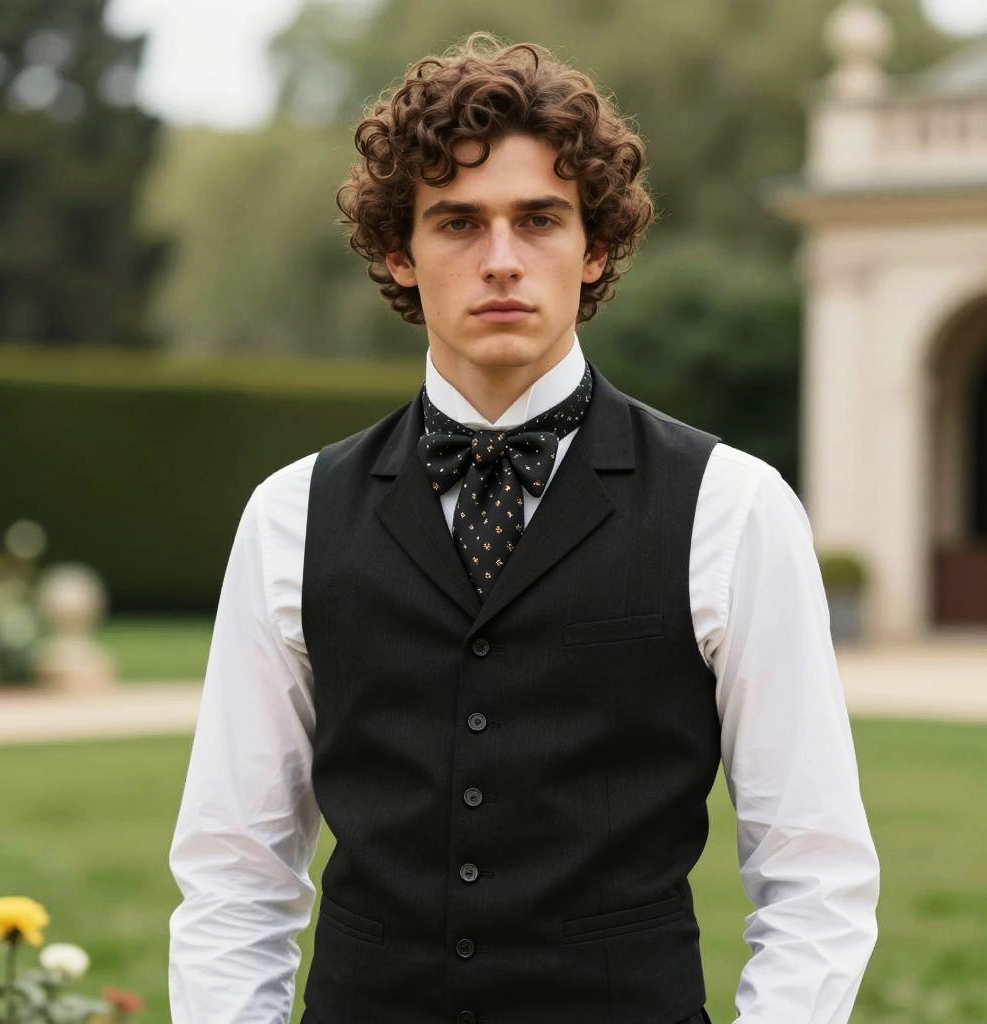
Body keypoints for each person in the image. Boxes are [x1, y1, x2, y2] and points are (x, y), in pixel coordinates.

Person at [167, 34, 879, 1024]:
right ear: (396, 252)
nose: (500, 259)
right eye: (456, 222)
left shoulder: (733, 505)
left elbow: (815, 873)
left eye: (537, 219)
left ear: (593, 247)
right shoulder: (290, 514)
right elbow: (233, 872)